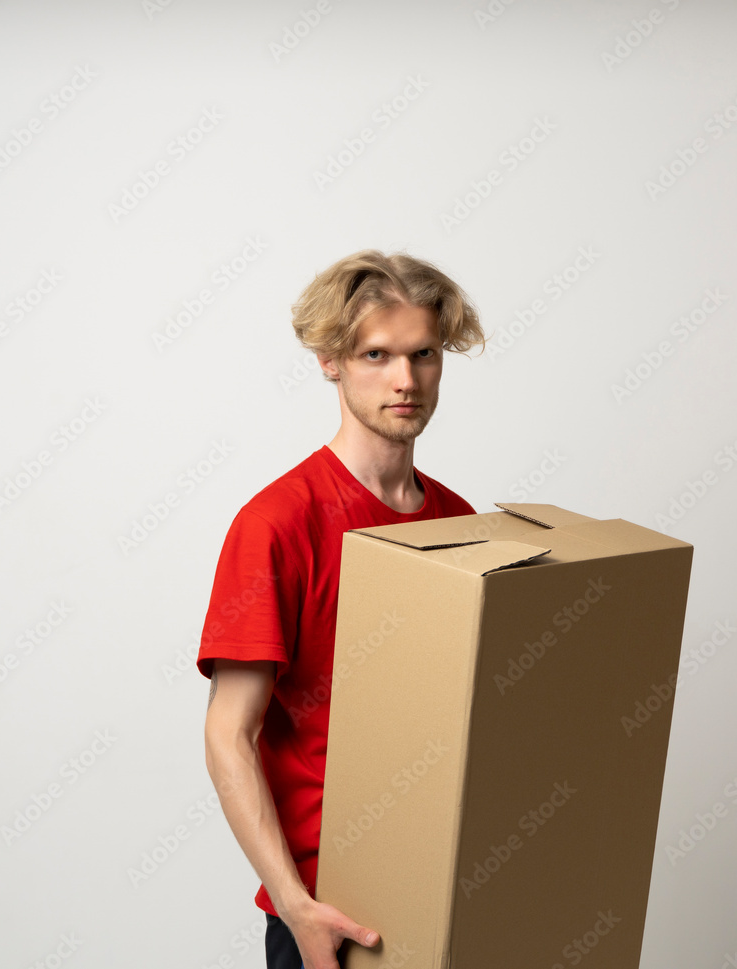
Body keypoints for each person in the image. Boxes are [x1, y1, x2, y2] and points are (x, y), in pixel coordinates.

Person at [197, 250, 486, 969]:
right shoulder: (276, 523)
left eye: (423, 354)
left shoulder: (457, 520)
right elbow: (229, 733)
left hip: (443, 889)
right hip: (332, 911)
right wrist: (295, 906)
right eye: (376, 355)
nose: (405, 380)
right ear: (331, 361)